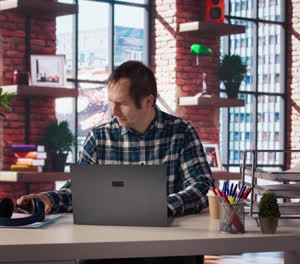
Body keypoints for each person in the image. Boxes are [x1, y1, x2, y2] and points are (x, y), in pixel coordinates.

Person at [17, 60, 214, 264]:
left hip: (166, 244)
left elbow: (202, 187)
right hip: (107, 243)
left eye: (122, 103)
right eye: (111, 102)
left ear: (148, 101)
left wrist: (161, 208)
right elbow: (79, 191)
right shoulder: (99, 137)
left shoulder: (181, 133)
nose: (114, 111)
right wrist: (47, 199)